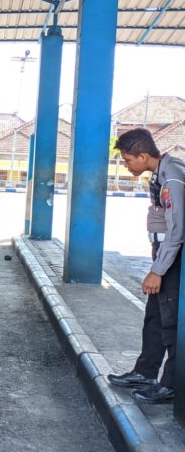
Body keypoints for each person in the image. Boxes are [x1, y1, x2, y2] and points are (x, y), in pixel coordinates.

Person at [107, 128, 185, 404]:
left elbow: (177, 230)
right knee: (154, 317)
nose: (127, 165)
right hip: (164, 255)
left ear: (142, 155)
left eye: (128, 160)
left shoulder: (172, 176)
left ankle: (171, 385)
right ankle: (145, 372)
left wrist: (158, 271)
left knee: (173, 322)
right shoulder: (161, 173)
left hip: (173, 260)